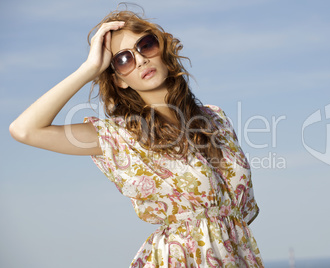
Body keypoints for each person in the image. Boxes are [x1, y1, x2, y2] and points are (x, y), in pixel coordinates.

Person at [9, 7, 264, 268]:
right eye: (123, 59)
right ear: (119, 80)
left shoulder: (216, 119)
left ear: (162, 51)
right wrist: (90, 68)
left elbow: (239, 214)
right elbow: (25, 129)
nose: (140, 60)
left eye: (146, 45)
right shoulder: (121, 137)